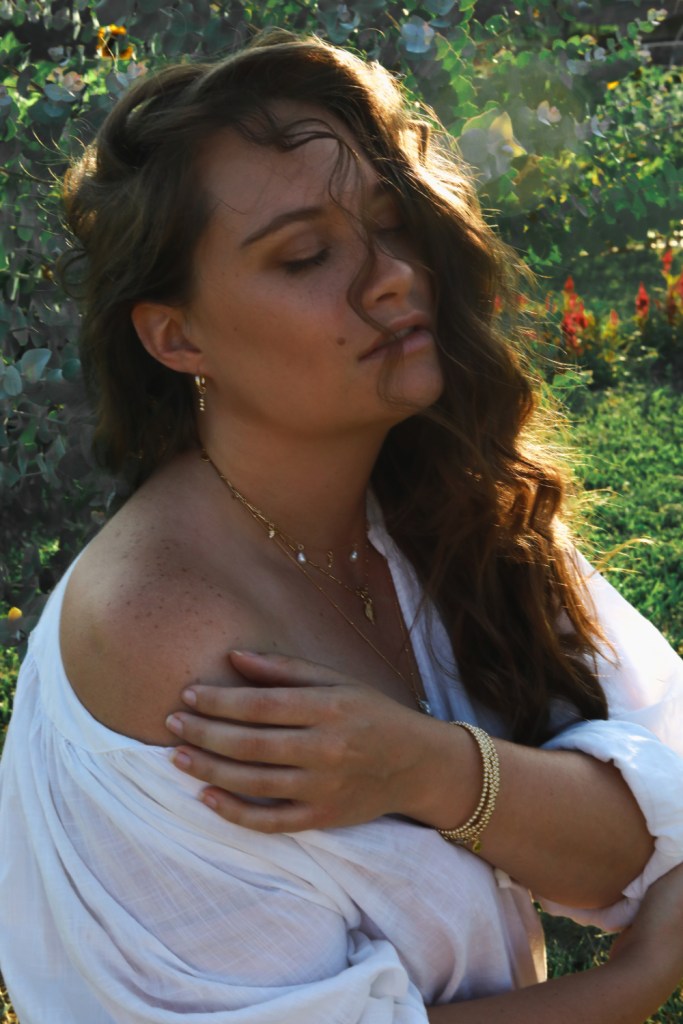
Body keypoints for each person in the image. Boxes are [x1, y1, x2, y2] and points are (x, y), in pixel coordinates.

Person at [1, 28, 683, 1024]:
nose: (391, 275)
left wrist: (426, 765)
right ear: (175, 336)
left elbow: (639, 832)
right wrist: (628, 985)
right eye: (306, 255)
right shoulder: (174, 639)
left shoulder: (435, 501)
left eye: (391, 222)